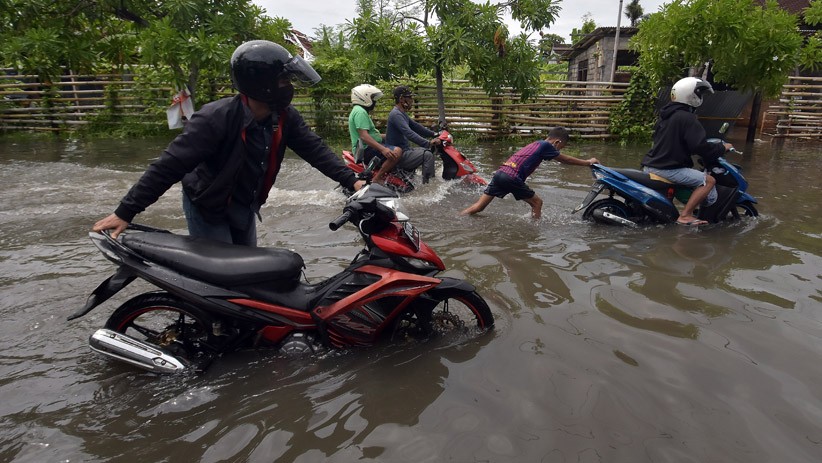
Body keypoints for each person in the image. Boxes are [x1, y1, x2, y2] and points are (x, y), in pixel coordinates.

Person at [92, 40, 365, 246]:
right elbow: (169, 167)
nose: (288, 86)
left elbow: (314, 149)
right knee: (220, 277)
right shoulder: (215, 119)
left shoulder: (283, 117)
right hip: (208, 204)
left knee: (248, 272)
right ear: (263, 84)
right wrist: (125, 212)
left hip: (245, 203)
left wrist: (351, 181)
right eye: (284, 80)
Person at [641, 76, 733, 226]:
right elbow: (700, 147)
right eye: (700, 93)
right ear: (691, 94)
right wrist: (722, 148)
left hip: (651, 165)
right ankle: (686, 215)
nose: (701, 97)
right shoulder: (687, 118)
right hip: (667, 169)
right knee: (709, 181)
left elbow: (674, 143)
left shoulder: (665, 116)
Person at [460, 127, 598, 219]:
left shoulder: (536, 144)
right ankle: (534, 232)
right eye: (561, 147)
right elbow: (565, 159)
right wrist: (588, 162)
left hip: (501, 173)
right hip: (511, 177)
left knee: (479, 207)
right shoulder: (546, 146)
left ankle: (458, 217)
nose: (558, 150)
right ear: (557, 141)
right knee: (537, 203)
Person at [348, 84, 403, 184]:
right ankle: (377, 178)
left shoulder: (359, 111)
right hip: (365, 150)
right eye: (372, 98)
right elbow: (364, 136)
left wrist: (392, 136)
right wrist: (383, 149)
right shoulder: (360, 112)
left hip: (366, 148)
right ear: (364, 97)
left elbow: (372, 135)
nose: (374, 101)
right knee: (397, 151)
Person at [384, 85, 437, 183]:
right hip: (400, 154)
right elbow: (409, 133)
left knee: (424, 150)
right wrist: (428, 143)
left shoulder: (401, 113)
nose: (411, 100)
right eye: (409, 98)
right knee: (428, 155)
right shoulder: (396, 114)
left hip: (405, 150)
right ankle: (429, 187)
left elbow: (416, 126)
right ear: (401, 99)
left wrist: (434, 134)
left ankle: (417, 179)